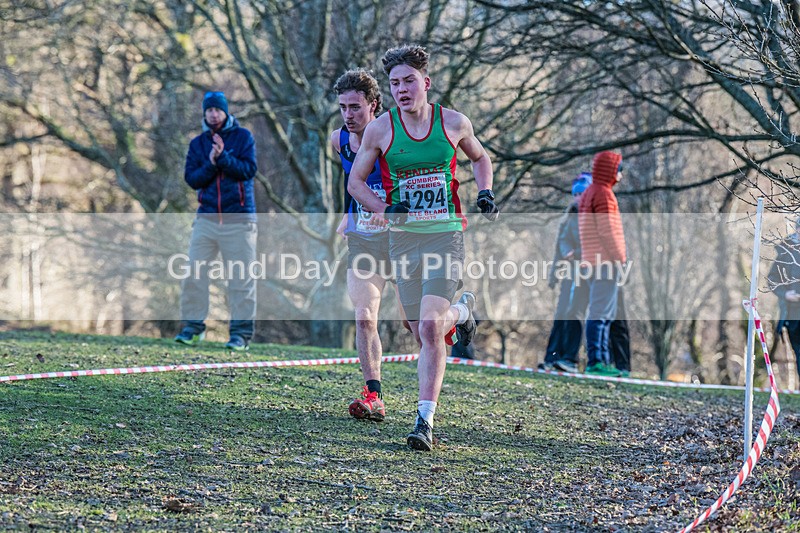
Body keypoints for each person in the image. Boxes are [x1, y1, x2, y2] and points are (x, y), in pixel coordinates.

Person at [347, 44, 500, 451]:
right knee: (418, 330)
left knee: (431, 327)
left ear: (425, 82)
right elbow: (355, 183)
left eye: (409, 81)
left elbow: (480, 158)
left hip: (444, 235)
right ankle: (462, 312)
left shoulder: (453, 122)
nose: (401, 89)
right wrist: (386, 209)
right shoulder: (381, 130)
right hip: (403, 240)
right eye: (395, 83)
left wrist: (485, 191)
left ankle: (424, 422)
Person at [174, 91, 258, 351]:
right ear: (204, 113)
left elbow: (248, 170)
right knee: (194, 273)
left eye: (217, 109)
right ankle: (192, 328)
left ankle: (240, 335)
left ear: (225, 111)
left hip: (239, 219)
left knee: (240, 279)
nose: (213, 114)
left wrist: (223, 158)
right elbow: (192, 179)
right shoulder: (197, 144)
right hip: (206, 219)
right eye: (209, 110)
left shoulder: (243, 137)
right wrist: (211, 163)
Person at [330, 69, 390, 422]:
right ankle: (374, 396)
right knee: (365, 316)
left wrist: (388, 209)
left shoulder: (393, 135)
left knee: (417, 325)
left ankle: (458, 315)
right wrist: (347, 213)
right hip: (363, 238)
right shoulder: (338, 139)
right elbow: (350, 180)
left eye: (355, 107)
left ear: (374, 105)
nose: (348, 115)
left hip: (401, 237)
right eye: (343, 107)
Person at [578, 151, 626, 376]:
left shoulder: (590, 192)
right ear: (610, 170)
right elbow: (608, 231)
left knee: (604, 313)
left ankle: (603, 360)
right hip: (605, 261)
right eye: (618, 169)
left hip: (591, 260)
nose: (620, 174)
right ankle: (596, 361)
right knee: (601, 313)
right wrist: (620, 258)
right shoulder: (604, 194)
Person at [541, 173, 591, 374]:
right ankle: (552, 357)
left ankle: (570, 358)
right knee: (561, 313)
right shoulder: (570, 217)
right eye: (575, 194)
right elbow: (560, 245)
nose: (578, 198)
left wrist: (575, 253)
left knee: (575, 313)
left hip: (587, 272)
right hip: (570, 272)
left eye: (581, 194)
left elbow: (595, 244)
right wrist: (554, 274)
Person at [768, 217, 800, 380]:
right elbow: (772, 279)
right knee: (799, 352)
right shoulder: (785, 252)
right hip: (792, 314)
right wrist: (785, 294)